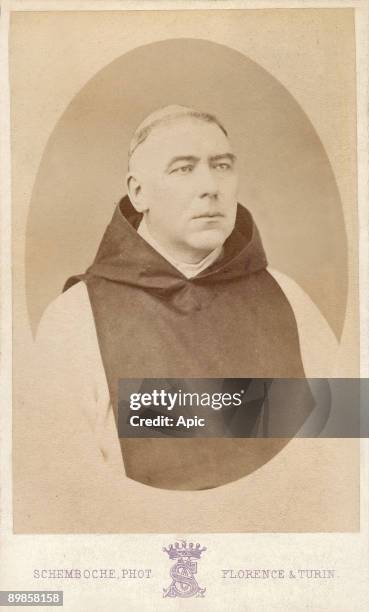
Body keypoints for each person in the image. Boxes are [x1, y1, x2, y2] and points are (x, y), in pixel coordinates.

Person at [18, 106, 338, 532]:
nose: (210, 187)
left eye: (221, 166)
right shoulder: (75, 319)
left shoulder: (290, 299)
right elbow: (60, 493)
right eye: (183, 169)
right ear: (138, 193)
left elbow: (344, 462)